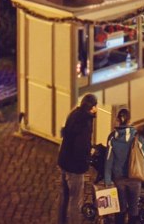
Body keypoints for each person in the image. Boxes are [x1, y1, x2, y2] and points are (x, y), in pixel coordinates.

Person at [103, 107, 144, 223]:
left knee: (120, 208)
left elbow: (108, 160)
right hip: (134, 178)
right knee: (133, 208)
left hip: (119, 178)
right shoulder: (138, 137)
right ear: (130, 120)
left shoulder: (112, 138)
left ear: (118, 120)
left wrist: (107, 180)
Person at [58, 94, 100, 223]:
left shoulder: (74, 114)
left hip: (64, 161)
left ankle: (61, 221)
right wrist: (87, 158)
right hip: (75, 167)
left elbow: (65, 133)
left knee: (64, 196)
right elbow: (81, 147)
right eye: (96, 106)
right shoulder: (85, 123)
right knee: (75, 200)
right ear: (91, 108)